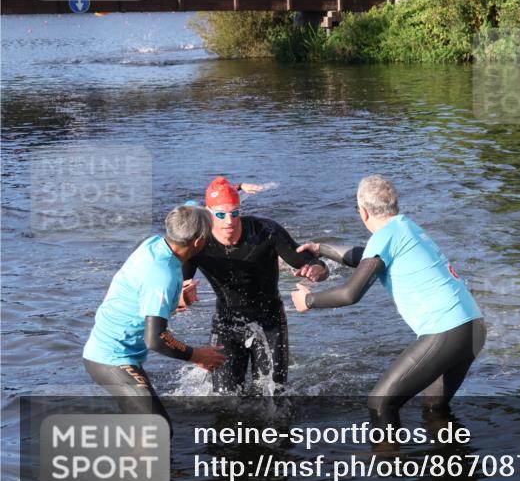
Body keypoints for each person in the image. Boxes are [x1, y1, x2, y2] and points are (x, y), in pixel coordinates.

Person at [292, 175, 485, 427]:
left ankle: (388, 463)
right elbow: (365, 257)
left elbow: (351, 294)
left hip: (446, 332)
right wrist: (321, 248)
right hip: (473, 328)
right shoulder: (406, 227)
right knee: (434, 408)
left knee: (381, 403)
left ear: (363, 211)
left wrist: (308, 300)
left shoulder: (385, 239)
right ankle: (453, 462)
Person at [83, 205, 226, 433]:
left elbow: (141, 291)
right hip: (111, 357)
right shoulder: (163, 275)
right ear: (198, 242)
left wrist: (174, 300)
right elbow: (155, 338)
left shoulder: (154, 244)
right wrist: (197, 355)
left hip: (114, 352)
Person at [182, 177, 329, 395]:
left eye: (234, 213)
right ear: (208, 213)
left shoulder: (266, 231)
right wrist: (181, 296)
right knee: (225, 397)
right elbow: (179, 285)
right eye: (221, 215)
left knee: (272, 397)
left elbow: (316, 265)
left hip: (270, 323)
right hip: (226, 325)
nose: (229, 221)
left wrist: (318, 271)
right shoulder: (198, 242)